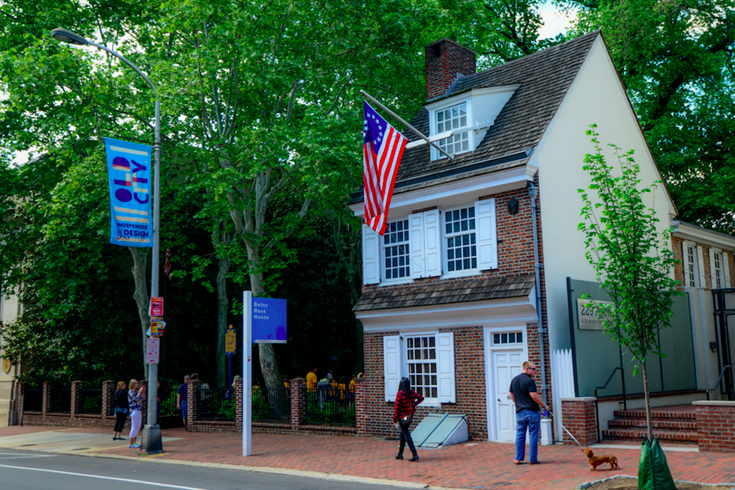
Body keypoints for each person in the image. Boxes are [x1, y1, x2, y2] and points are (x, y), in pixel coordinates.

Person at [509, 361, 549, 465]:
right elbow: (534, 396)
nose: (535, 371)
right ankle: (532, 459)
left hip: (520, 412)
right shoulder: (530, 381)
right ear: (527, 369)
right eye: (533, 369)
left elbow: (511, 393)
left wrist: (517, 403)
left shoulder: (514, 380)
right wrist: (544, 405)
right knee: (533, 435)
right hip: (532, 412)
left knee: (520, 435)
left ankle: (518, 459)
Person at [392, 377, 423, 462]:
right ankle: (400, 454)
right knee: (403, 434)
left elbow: (397, 408)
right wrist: (414, 404)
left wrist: (395, 419)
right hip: (409, 416)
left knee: (406, 435)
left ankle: (415, 454)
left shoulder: (400, 394)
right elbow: (421, 398)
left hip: (402, 417)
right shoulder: (411, 393)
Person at [127, 379, 146, 449]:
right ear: (133, 384)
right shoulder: (130, 391)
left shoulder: (136, 391)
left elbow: (143, 398)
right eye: (136, 384)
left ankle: (134, 441)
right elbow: (136, 398)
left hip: (138, 410)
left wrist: (143, 391)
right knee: (134, 427)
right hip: (134, 410)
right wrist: (140, 391)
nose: (137, 385)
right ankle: (131, 443)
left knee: (138, 427)